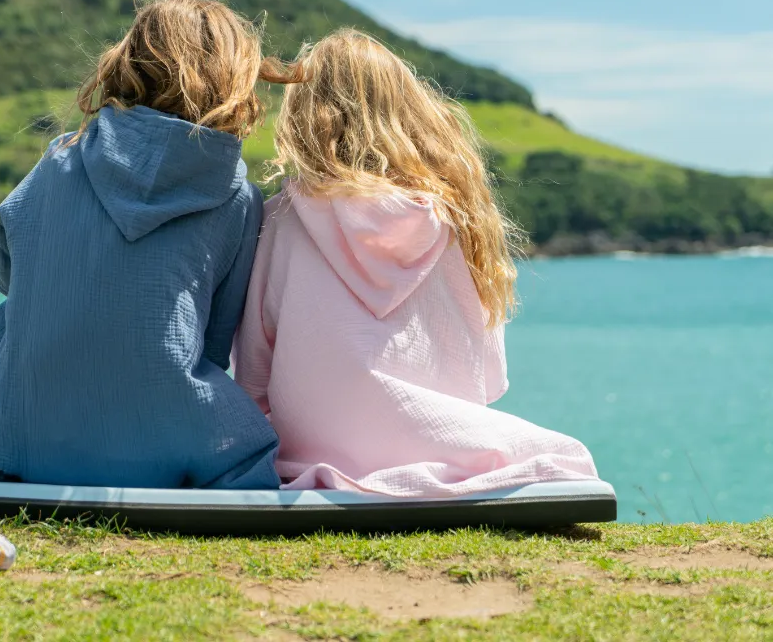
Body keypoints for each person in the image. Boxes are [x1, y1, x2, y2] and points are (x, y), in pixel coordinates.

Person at [0, 0, 279, 489]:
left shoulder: (56, 162)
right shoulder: (237, 197)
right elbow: (217, 340)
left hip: (29, 440)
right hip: (170, 441)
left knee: (10, 318)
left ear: (128, 60)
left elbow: (10, 277)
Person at [234, 29, 598, 496]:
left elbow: (253, 378)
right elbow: (491, 377)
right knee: (564, 456)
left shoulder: (281, 221)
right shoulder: (457, 219)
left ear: (306, 118)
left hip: (314, 454)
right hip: (445, 440)